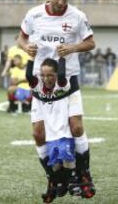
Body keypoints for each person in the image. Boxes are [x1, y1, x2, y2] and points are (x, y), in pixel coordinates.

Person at [17, 0, 96, 201]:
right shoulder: (34, 15)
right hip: (41, 84)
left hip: (68, 82)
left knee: (76, 128)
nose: (61, 2)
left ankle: (83, 174)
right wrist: (26, 47)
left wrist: (72, 47)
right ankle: (53, 178)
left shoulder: (77, 16)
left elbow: (91, 43)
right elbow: (20, 39)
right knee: (38, 134)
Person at [27, 57, 79, 202]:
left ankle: (69, 181)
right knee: (55, 165)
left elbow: (62, 76)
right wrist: (31, 59)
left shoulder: (62, 86)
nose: (46, 78)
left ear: (56, 75)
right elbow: (29, 76)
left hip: (64, 133)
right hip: (50, 136)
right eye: (43, 75)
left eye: (50, 75)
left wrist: (62, 58)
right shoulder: (38, 88)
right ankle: (59, 182)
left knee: (67, 159)